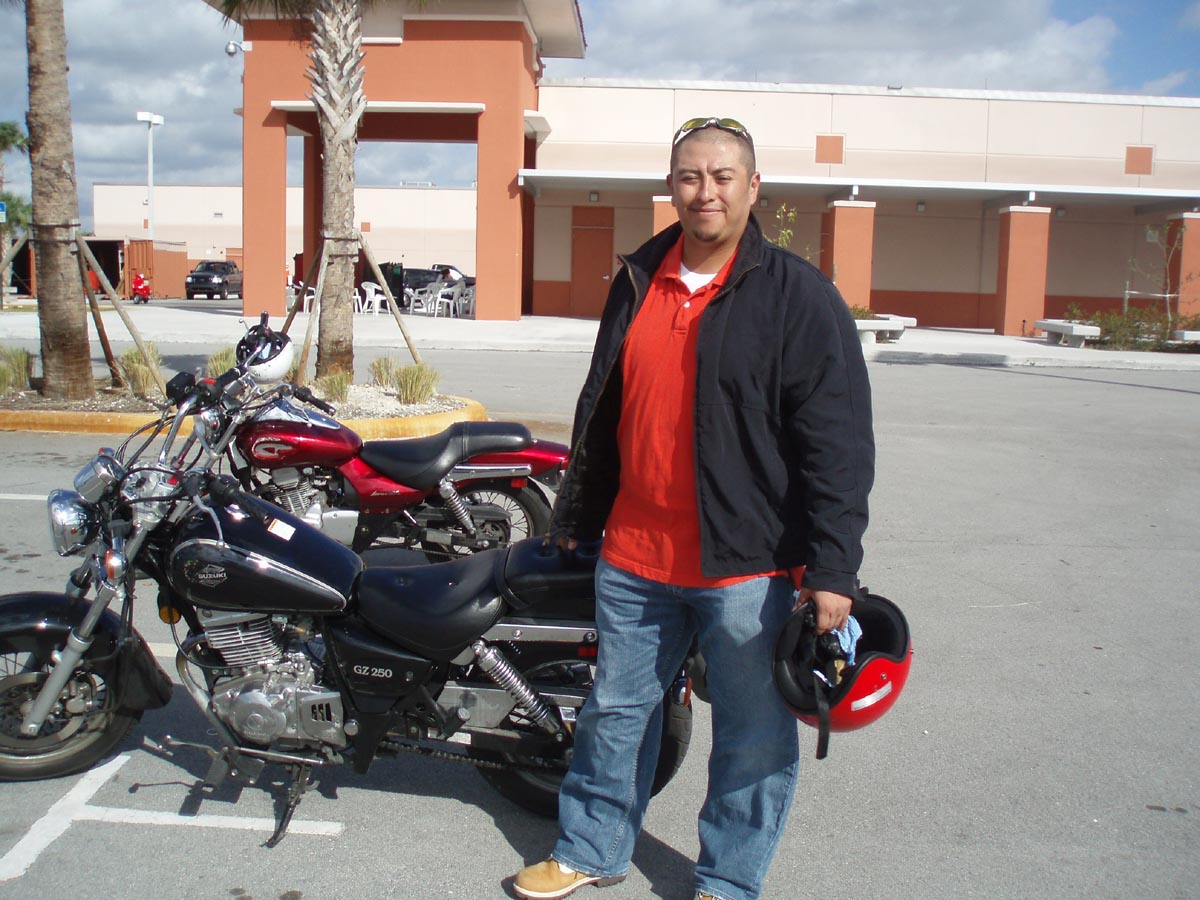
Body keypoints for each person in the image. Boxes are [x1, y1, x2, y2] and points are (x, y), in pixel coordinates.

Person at [511, 116, 875, 900]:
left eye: (722, 176)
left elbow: (838, 446)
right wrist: (577, 516)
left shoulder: (800, 298)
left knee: (751, 736)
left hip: (749, 566)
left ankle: (728, 880)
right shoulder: (638, 278)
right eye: (689, 176)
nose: (705, 191)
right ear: (671, 187)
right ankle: (591, 849)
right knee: (615, 715)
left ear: (753, 187)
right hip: (633, 557)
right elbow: (605, 405)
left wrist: (833, 569)